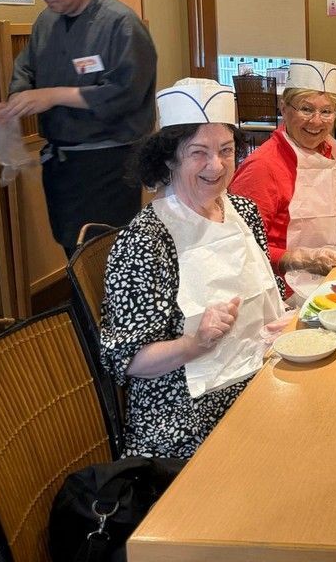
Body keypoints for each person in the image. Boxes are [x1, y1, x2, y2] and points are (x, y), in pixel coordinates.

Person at [100, 79, 288, 459]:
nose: (215, 166)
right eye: (198, 153)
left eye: (225, 150)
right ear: (170, 158)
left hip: (258, 373)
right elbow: (128, 361)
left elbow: (269, 299)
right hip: (185, 409)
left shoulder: (243, 212)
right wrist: (196, 342)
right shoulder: (145, 241)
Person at [0, 0, 157, 258]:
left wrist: (55, 95)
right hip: (62, 165)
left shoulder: (121, 24)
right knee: (73, 252)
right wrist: (17, 102)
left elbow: (127, 93)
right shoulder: (47, 22)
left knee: (105, 256)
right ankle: (82, 310)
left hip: (110, 164)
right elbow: (26, 69)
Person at [230, 59, 336, 300]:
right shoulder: (263, 167)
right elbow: (241, 248)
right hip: (283, 291)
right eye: (306, 109)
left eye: (326, 112)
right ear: (284, 109)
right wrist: (300, 259)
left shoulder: (331, 150)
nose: (316, 121)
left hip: (335, 276)